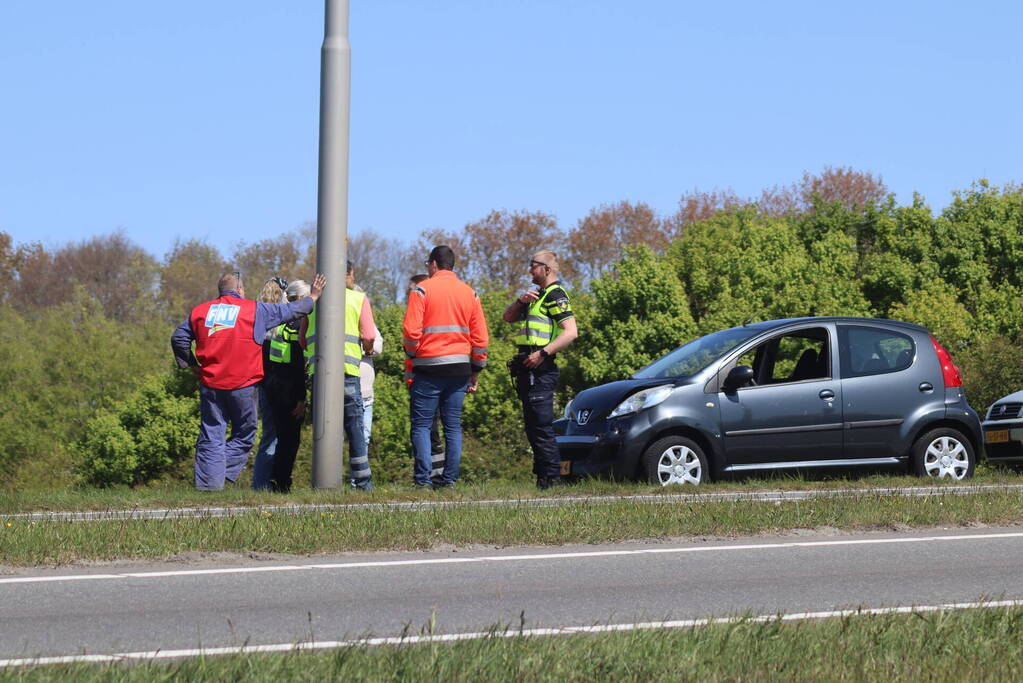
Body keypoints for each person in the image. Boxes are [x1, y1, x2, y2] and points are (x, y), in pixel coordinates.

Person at [171, 271, 326, 491]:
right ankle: (216, 475)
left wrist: (192, 363)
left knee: (211, 433)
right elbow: (292, 310)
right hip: (243, 384)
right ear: (240, 290)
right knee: (244, 434)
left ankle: (209, 484)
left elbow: (179, 337)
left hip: (211, 384)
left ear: (220, 292)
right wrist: (314, 296)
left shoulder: (201, 311)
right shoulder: (254, 310)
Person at [403, 246, 489, 489]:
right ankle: (449, 480)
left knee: (421, 426)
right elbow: (481, 337)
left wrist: (412, 354)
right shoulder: (469, 293)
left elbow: (411, 332)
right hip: (459, 369)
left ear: (432, 265)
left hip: (428, 368)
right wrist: (476, 369)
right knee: (452, 426)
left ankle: (422, 481)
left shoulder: (421, 290)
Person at [502, 250, 578, 489]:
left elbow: (570, 332)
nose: (529, 270)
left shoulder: (555, 295)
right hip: (528, 368)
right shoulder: (536, 296)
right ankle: (542, 479)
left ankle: (552, 480)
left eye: (533, 266)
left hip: (541, 368)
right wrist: (520, 301)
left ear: (547, 269)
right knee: (533, 427)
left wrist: (543, 353)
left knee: (542, 426)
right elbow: (507, 318)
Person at [305, 262, 377, 489]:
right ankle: (362, 483)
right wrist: (366, 350)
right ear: (346, 275)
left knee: (324, 428)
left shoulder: (312, 301)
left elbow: (301, 338)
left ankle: (323, 480)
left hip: (319, 373)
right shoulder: (358, 299)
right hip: (348, 372)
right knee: (355, 428)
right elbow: (369, 336)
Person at [265, 279, 313, 493]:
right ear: (301, 299)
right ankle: (282, 483)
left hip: (275, 387)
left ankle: (278, 481)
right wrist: (302, 399)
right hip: (289, 390)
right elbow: (296, 364)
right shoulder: (296, 323)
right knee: (289, 441)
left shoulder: (280, 321)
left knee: (282, 438)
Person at [406, 274, 445, 480]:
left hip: (426, 377)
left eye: (412, 289)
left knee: (427, 429)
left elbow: (413, 343)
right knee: (428, 429)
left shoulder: (423, 316)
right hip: (420, 377)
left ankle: (430, 476)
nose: (409, 294)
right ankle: (433, 474)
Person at [251, 276, 288, 491]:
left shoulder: (256, 320)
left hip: (260, 384)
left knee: (269, 435)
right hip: (278, 384)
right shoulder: (281, 322)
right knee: (274, 436)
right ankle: (264, 485)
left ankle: (263, 484)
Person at [353, 281, 383, 447]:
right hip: (345, 390)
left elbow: (377, 345)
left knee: (363, 438)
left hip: (365, 393)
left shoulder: (369, 324)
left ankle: (356, 474)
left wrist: (364, 348)